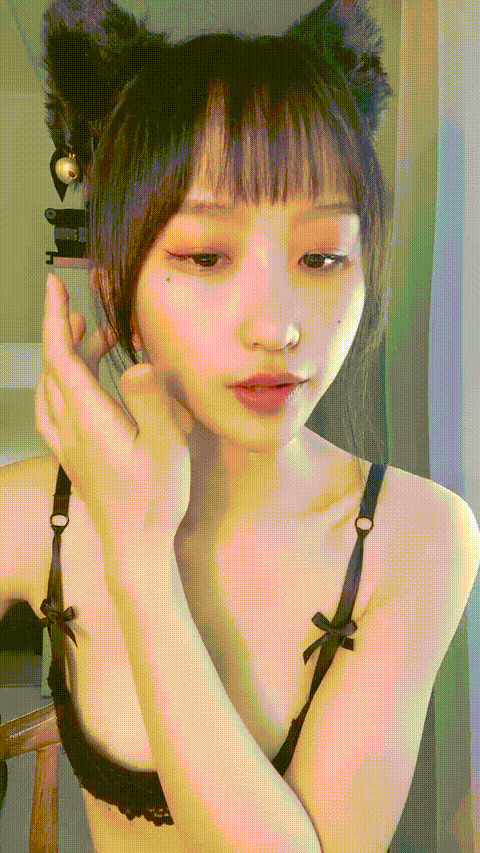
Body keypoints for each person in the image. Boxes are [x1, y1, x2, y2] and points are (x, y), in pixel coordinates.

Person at [1, 1, 479, 852]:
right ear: (116, 284)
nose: (278, 325)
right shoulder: (34, 509)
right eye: (206, 256)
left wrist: (142, 564)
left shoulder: (417, 535)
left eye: (321, 257)